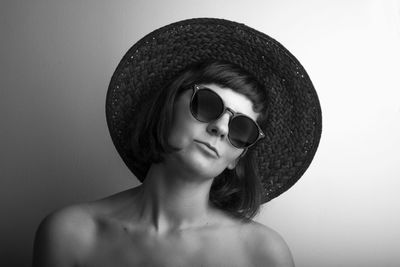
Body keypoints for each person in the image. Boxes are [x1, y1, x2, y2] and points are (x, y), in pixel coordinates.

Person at [32, 18, 322, 267]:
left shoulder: (263, 253)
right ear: (167, 109)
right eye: (208, 104)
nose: (220, 128)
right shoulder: (69, 234)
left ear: (237, 157)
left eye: (242, 128)